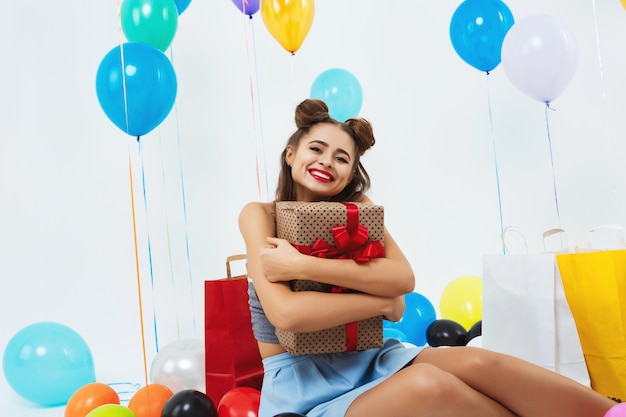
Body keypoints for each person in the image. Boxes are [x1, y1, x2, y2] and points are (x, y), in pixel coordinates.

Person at [238, 98, 616, 417]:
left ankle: (611, 412)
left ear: (352, 171)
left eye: (341, 158)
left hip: (372, 358)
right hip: (303, 389)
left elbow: (402, 281)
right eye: (316, 149)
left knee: (480, 361)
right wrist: (379, 300)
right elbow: (287, 314)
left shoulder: (358, 210)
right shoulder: (259, 215)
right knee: (429, 384)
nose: (326, 162)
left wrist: (302, 265)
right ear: (291, 154)